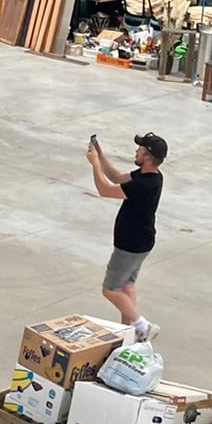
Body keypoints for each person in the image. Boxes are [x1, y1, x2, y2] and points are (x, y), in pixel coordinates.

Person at [86, 132, 167, 341]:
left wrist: (95, 164)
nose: (136, 151)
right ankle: (128, 331)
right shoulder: (152, 176)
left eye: (140, 149)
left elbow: (105, 189)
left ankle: (143, 326)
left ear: (148, 157)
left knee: (110, 289)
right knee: (126, 284)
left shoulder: (143, 185)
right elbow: (116, 177)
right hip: (142, 242)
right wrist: (100, 156)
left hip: (130, 245)